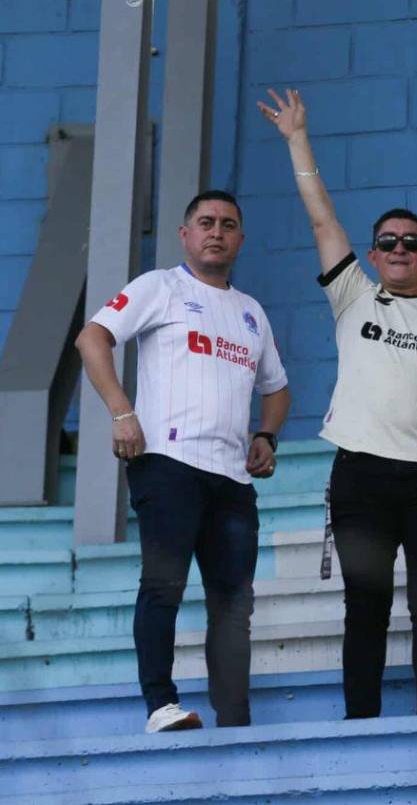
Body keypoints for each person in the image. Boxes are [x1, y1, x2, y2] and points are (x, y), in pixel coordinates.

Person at [257, 88, 417, 720]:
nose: (399, 249)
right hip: (363, 476)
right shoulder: (354, 297)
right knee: (364, 604)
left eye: (412, 241)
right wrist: (296, 140)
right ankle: (359, 727)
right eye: (388, 241)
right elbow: (322, 220)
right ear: (372, 256)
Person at [76, 191, 291, 733]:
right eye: (205, 223)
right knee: (163, 585)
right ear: (185, 234)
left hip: (232, 478)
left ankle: (234, 718)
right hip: (167, 462)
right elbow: (93, 337)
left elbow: (278, 387)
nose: (216, 232)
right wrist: (122, 412)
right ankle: (160, 706)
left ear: (240, 239)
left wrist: (266, 433)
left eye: (228, 224)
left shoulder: (251, 312)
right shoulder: (161, 286)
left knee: (234, 605)